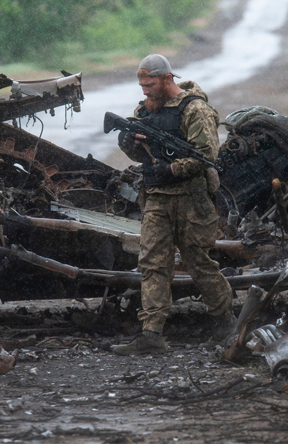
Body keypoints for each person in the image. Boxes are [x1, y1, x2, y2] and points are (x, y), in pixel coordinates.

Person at [111, 54, 235, 355]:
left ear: (168, 79)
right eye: (141, 85)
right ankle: (151, 334)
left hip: (192, 199)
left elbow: (207, 155)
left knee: (199, 263)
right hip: (157, 199)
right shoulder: (145, 110)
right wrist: (129, 140)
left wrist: (169, 170)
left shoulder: (195, 109)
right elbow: (139, 154)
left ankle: (228, 325)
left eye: (150, 85)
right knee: (153, 264)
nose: (145, 91)